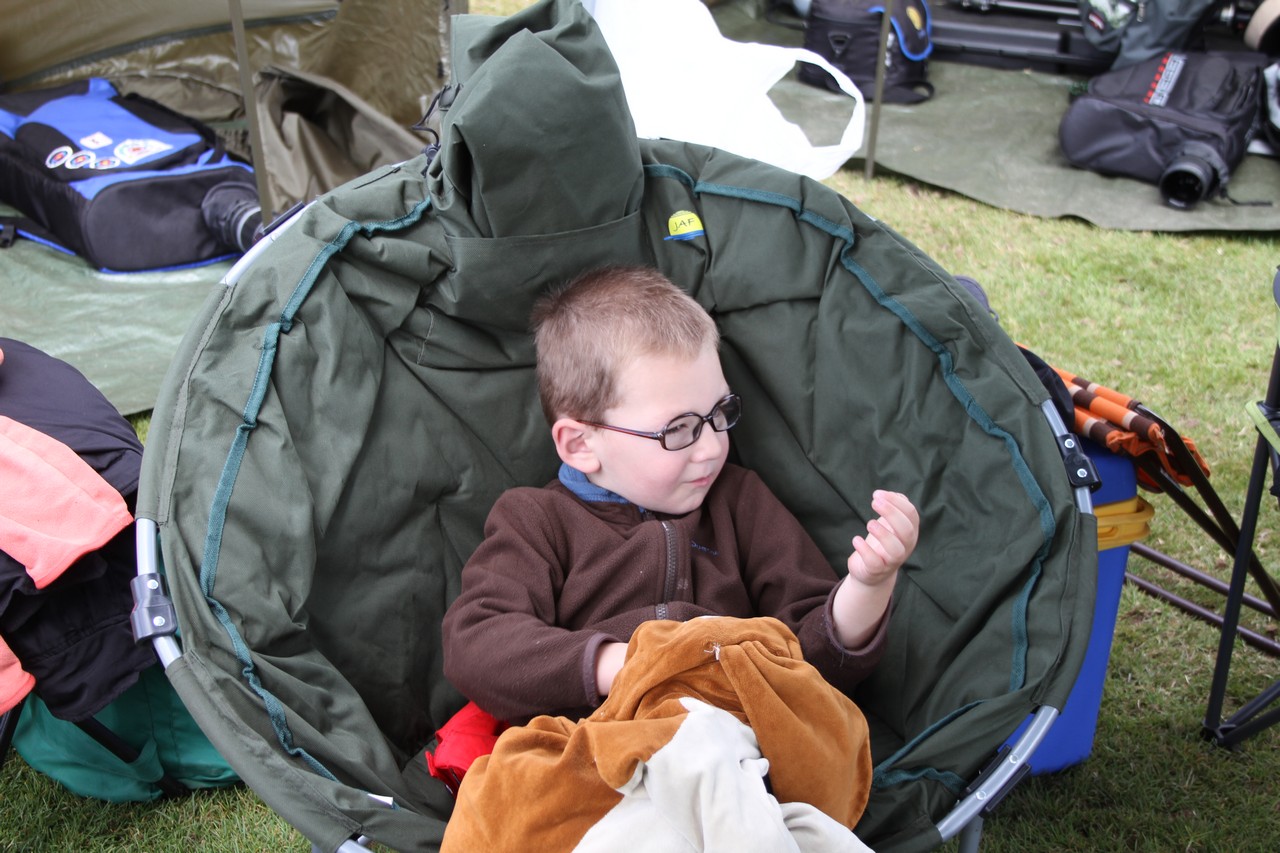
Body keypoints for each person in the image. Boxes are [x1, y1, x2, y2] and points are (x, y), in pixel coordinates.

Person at [440, 265, 919, 724]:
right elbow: (478, 643)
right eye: (679, 429)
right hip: (593, 752)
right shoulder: (536, 520)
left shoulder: (739, 500)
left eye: (720, 412)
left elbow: (813, 657)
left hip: (737, 743)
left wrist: (868, 587)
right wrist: (627, 663)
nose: (712, 447)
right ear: (582, 445)